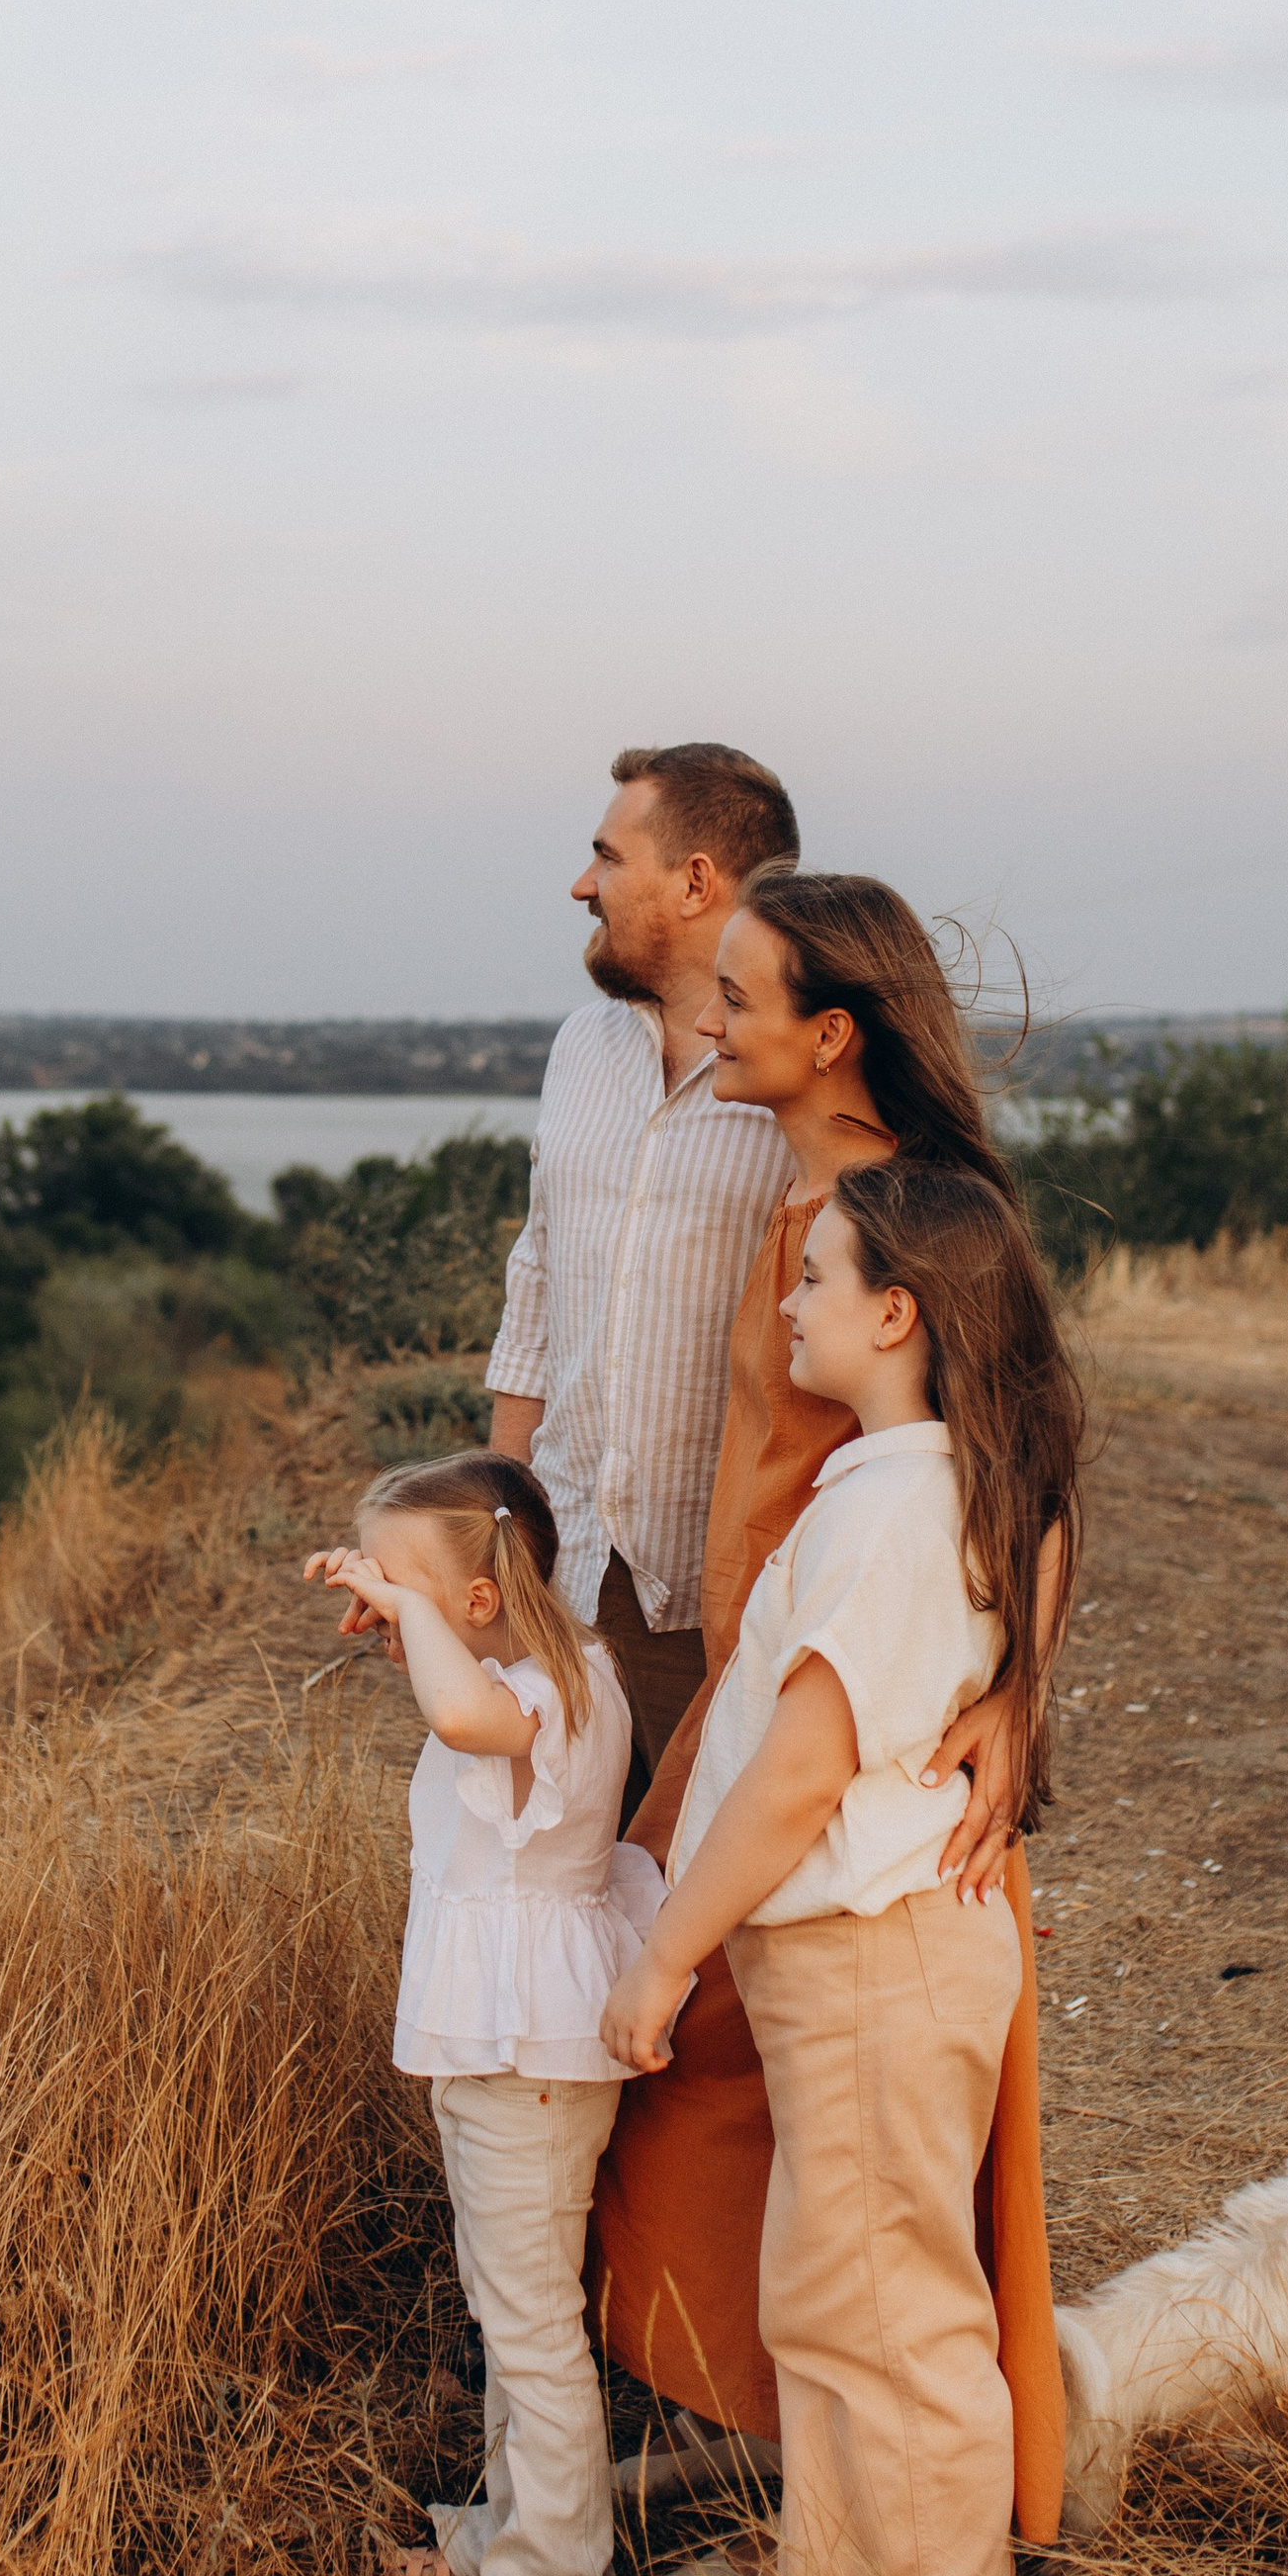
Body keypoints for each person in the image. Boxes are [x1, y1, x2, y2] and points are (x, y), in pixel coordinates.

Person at [588, 877, 1064, 2548]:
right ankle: (809, 2547)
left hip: (835, 1757)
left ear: (829, 1032)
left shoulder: (880, 1229)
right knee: (809, 2208)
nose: (710, 1028)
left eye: (737, 999)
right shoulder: (817, 1215)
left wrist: (1015, 1690)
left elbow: (1039, 1476)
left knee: (826, 2205)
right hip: (791, 1719)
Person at [307, 1453, 662, 2576]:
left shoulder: (537, 1697)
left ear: (468, 1605)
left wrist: (408, 1617)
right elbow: (460, 1702)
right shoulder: (545, 1671)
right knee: (505, 2300)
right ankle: (497, 2539)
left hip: (526, 2054)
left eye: (401, 1586)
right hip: (503, 2047)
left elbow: (462, 1721)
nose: (382, 1607)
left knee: (531, 2333)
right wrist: (411, 1613)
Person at [484, 744, 803, 1813]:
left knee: (709, 1899)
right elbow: (536, 1278)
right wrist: (501, 1513)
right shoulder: (580, 1047)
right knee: (557, 1891)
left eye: (606, 857)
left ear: (696, 881)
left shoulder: (798, 1062)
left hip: (718, 1576)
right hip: (563, 1563)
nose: (583, 885)